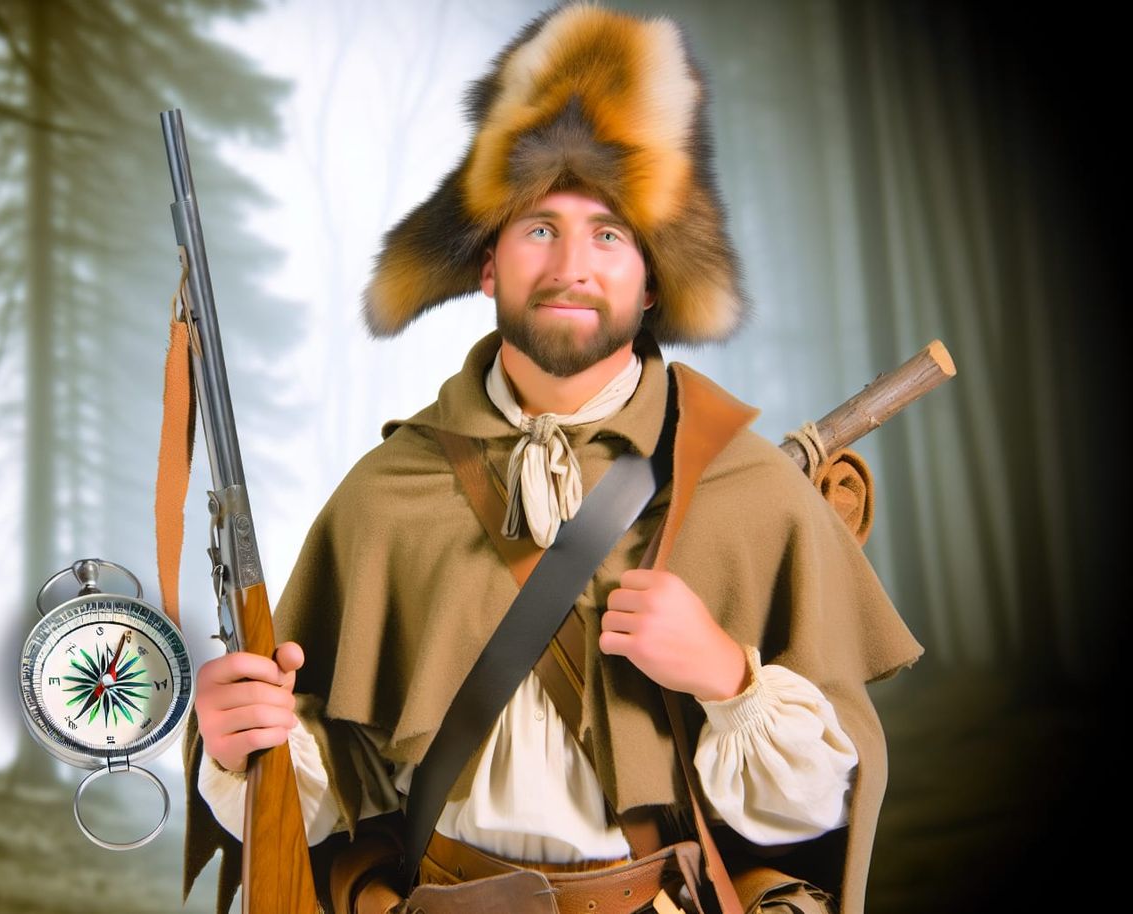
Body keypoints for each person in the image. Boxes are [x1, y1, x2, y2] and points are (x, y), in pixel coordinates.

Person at [179, 4, 922, 913]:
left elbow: (818, 809)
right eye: (538, 227)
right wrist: (238, 743)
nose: (573, 262)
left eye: (610, 233)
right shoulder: (387, 493)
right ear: (488, 265)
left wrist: (730, 677)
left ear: (652, 283)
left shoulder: (746, 486)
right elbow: (319, 801)